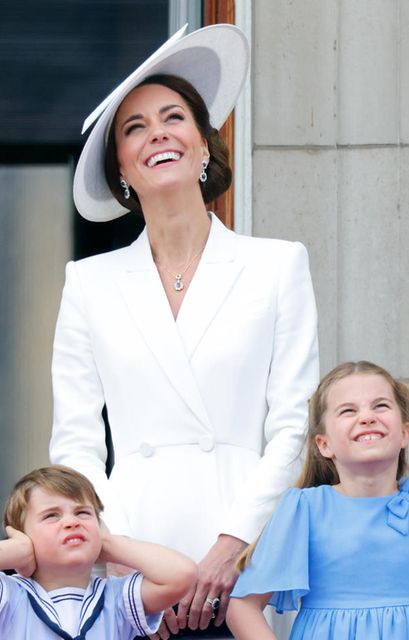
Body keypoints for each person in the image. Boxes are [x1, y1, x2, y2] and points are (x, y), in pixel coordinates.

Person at [49, 24, 321, 639]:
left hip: (247, 558)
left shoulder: (276, 265)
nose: (157, 135)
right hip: (131, 557)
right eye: (134, 128)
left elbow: (292, 426)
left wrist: (231, 549)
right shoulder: (89, 283)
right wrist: (119, 560)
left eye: (173, 117)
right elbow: (75, 444)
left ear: (204, 147)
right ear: (121, 169)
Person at [227, 361, 409, 640]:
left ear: (405, 432)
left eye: (381, 406)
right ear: (324, 444)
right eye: (348, 410)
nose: (367, 417)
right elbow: (242, 608)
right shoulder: (303, 509)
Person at [0, 465, 196, 639]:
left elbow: (182, 574)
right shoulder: (10, 596)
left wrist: (109, 544)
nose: (72, 522)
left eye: (82, 513)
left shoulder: (116, 598)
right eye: (52, 515)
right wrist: (15, 551)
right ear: (20, 535)